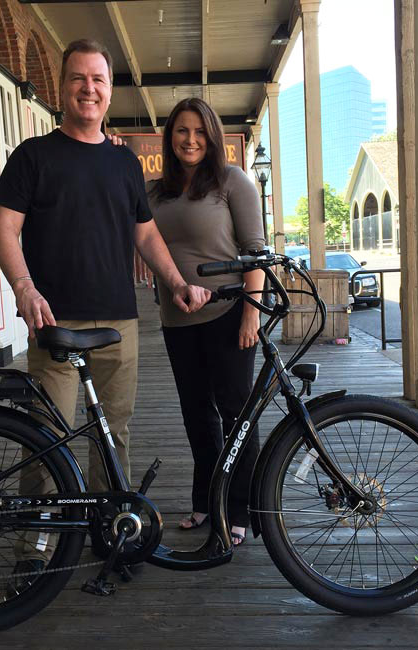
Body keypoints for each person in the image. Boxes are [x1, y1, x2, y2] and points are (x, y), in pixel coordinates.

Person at [0, 39, 209, 584]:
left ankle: (109, 532)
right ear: (62, 87)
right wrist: (23, 288)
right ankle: (37, 544)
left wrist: (177, 281)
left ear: (109, 91)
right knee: (49, 437)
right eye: (78, 78)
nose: (89, 88)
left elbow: (145, 233)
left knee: (114, 434)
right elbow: (4, 229)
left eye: (99, 80)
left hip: (119, 322)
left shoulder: (122, 161)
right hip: (56, 324)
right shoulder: (33, 156)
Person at [147, 98, 265, 546]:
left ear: (212, 136)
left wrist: (251, 312)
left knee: (237, 415)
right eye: (181, 131)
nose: (190, 139)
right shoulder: (155, 191)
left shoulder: (233, 182)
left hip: (229, 313)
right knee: (197, 416)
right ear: (170, 136)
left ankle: (238, 509)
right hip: (177, 320)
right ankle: (205, 501)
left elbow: (255, 252)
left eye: (199, 131)